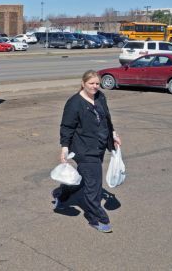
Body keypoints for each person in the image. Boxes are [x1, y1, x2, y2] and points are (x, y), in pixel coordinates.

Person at [54, 70, 122, 233]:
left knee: (85, 179)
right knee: (94, 185)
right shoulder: (74, 102)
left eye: (97, 83)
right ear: (83, 83)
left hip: (99, 146)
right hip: (83, 149)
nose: (94, 87)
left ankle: (61, 195)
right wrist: (64, 148)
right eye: (91, 83)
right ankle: (97, 218)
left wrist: (113, 135)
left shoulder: (100, 97)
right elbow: (67, 127)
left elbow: (107, 119)